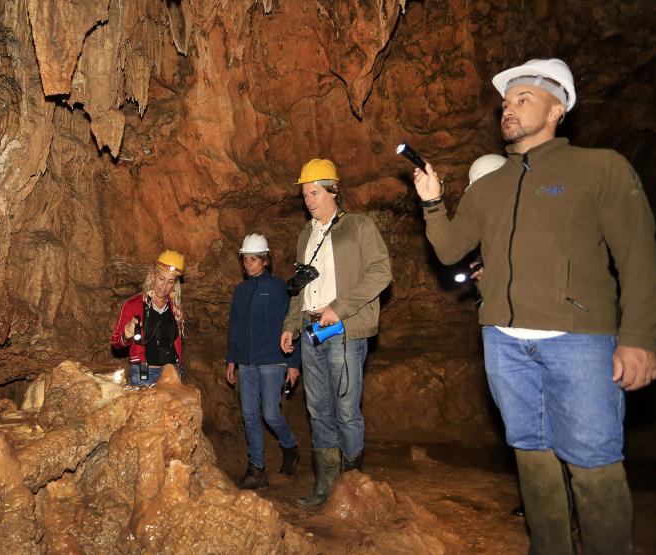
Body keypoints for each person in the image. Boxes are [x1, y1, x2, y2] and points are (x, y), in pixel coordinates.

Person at [412, 58, 656, 554]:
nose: (509, 109)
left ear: (557, 108)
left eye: (523, 99)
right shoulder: (490, 187)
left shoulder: (600, 168)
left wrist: (639, 338)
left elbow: (638, 255)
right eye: (505, 102)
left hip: (581, 342)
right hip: (504, 341)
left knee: (593, 463)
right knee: (532, 457)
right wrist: (433, 203)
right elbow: (451, 249)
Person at [279, 159, 392, 508]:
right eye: (304, 194)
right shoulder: (305, 235)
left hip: (344, 328)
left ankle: (351, 489)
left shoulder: (358, 226)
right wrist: (290, 325)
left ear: (333, 191)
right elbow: (300, 288)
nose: (309, 199)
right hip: (313, 329)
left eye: (314, 192)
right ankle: (326, 486)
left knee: (346, 408)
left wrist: (339, 308)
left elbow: (381, 272)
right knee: (317, 407)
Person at [226, 234, 301, 489]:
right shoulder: (241, 290)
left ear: (265, 261)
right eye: (245, 259)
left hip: (273, 360)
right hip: (246, 362)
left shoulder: (279, 287)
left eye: (254, 259)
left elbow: (293, 322)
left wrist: (294, 363)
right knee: (249, 415)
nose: (248, 264)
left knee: (270, 413)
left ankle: (290, 446)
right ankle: (257, 468)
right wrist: (231, 360)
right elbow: (235, 327)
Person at [111, 250, 186, 387]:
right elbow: (116, 342)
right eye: (161, 279)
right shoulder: (133, 305)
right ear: (153, 276)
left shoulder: (175, 308)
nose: (164, 286)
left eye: (170, 282)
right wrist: (126, 335)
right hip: (144, 374)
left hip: (172, 372)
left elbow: (177, 343)